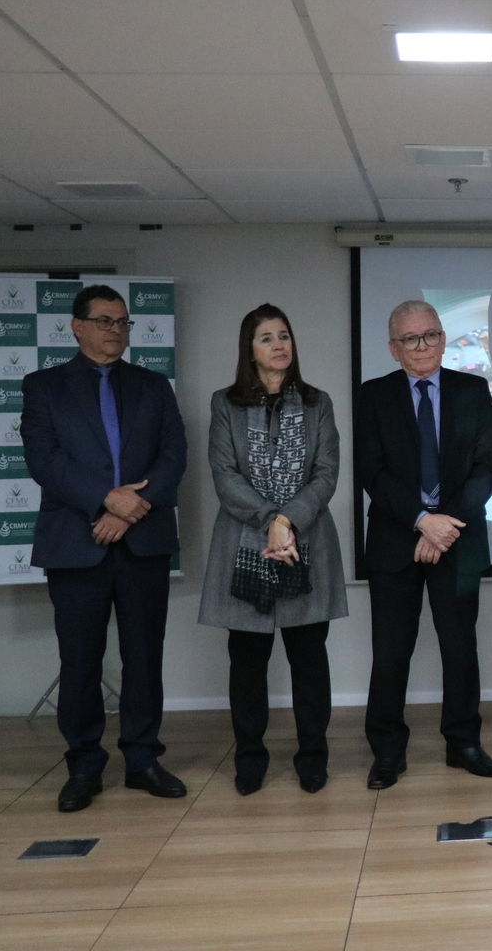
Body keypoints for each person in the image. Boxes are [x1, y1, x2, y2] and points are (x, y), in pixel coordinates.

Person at [21, 283, 188, 813]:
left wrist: (131, 508)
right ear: (77, 327)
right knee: (79, 661)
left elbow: (173, 455)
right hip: (76, 543)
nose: (115, 330)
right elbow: (44, 460)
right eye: (104, 321)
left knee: (144, 657)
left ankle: (142, 760)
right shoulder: (44, 386)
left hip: (142, 541)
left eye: (122, 322)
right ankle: (84, 766)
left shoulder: (153, 385)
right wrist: (106, 500)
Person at [198, 305, 348, 796]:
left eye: (284, 335)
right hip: (247, 541)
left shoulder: (318, 402)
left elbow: (326, 473)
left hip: (305, 540)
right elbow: (224, 475)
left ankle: (313, 756)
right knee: (247, 662)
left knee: (309, 660)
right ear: (249, 349)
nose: (279, 344)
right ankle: (249, 758)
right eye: (266, 337)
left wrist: (287, 522)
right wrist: (269, 522)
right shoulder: (225, 404)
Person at [356, 299, 492, 789]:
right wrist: (423, 521)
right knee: (390, 652)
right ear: (393, 348)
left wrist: (445, 527)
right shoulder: (374, 395)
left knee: (460, 647)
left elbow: (486, 467)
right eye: (411, 339)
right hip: (394, 541)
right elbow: (372, 472)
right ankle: (387, 752)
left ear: (443, 338)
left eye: (431, 335)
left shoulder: (473, 390)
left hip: (458, 540)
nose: (423, 346)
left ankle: (463, 743)